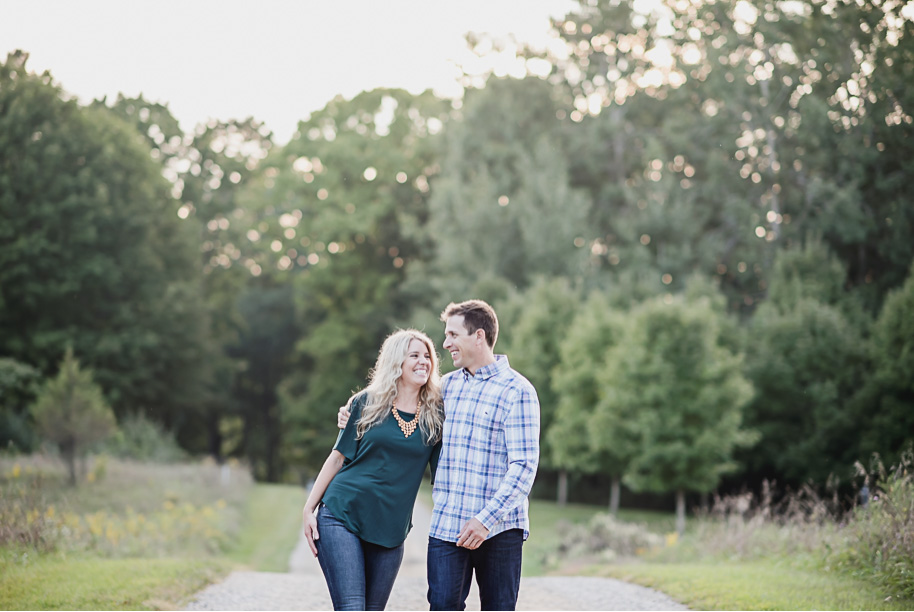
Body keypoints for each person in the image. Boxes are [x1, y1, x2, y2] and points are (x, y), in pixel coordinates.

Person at [339, 299, 540, 611]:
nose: (445, 344)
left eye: (453, 335)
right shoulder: (444, 389)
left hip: (499, 528)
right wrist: (351, 408)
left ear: (479, 336)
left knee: (499, 607)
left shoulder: (518, 391)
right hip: (448, 526)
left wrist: (485, 521)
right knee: (443, 605)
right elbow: (393, 395)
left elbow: (524, 467)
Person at [303, 329, 444, 611]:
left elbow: (444, 473)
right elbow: (336, 458)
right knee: (352, 607)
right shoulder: (366, 403)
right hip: (341, 514)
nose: (423, 362)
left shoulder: (435, 415)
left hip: (391, 530)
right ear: (396, 362)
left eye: (427, 356)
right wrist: (308, 509)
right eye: (414, 355)